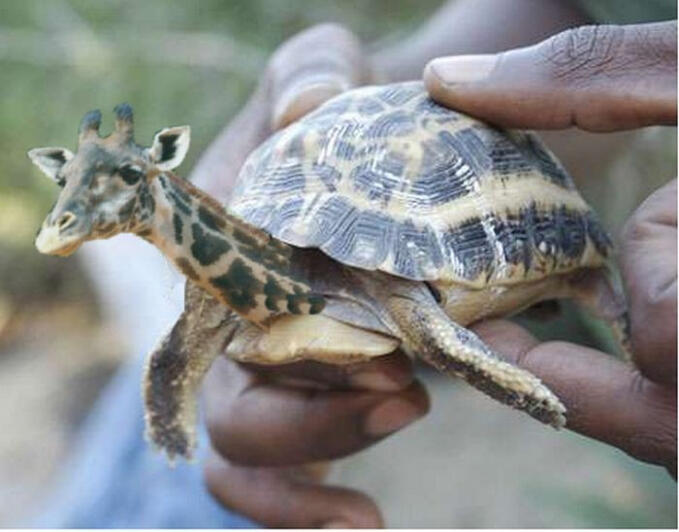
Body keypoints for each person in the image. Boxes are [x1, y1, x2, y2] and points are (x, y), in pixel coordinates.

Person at [35, 1, 675, 528]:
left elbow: (416, 310)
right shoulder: (234, 278)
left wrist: (505, 381)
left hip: (469, 214)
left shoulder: (378, 277)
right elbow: (561, 22)